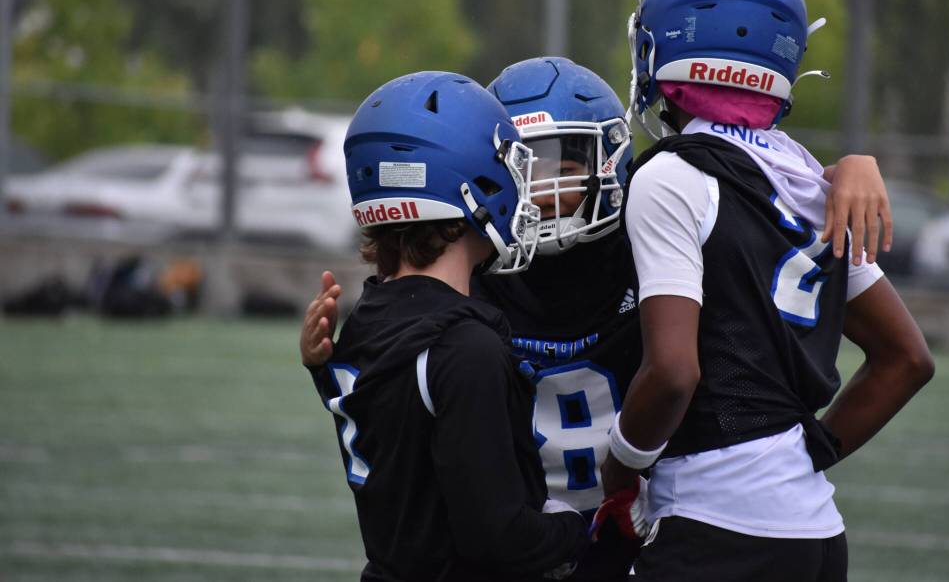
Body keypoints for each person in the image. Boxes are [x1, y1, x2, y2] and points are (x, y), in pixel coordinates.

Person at [302, 57, 896, 581]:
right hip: (520, 545)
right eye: (520, 165)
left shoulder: (655, 234)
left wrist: (845, 169)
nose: (536, 188)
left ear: (609, 158)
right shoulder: (471, 274)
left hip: (627, 541)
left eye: (559, 162)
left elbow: (751, 206)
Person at [598, 0, 935, 581]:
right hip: (815, 535)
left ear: (666, 48)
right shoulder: (810, 177)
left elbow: (672, 373)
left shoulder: (671, 175)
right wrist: (814, 450)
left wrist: (619, 471)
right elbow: (906, 359)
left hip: (714, 525)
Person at [301, 70, 589, 581]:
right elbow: (495, 536)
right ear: (467, 191)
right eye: (506, 167)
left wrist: (319, 368)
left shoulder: (367, 317)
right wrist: (579, 530)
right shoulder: (465, 346)